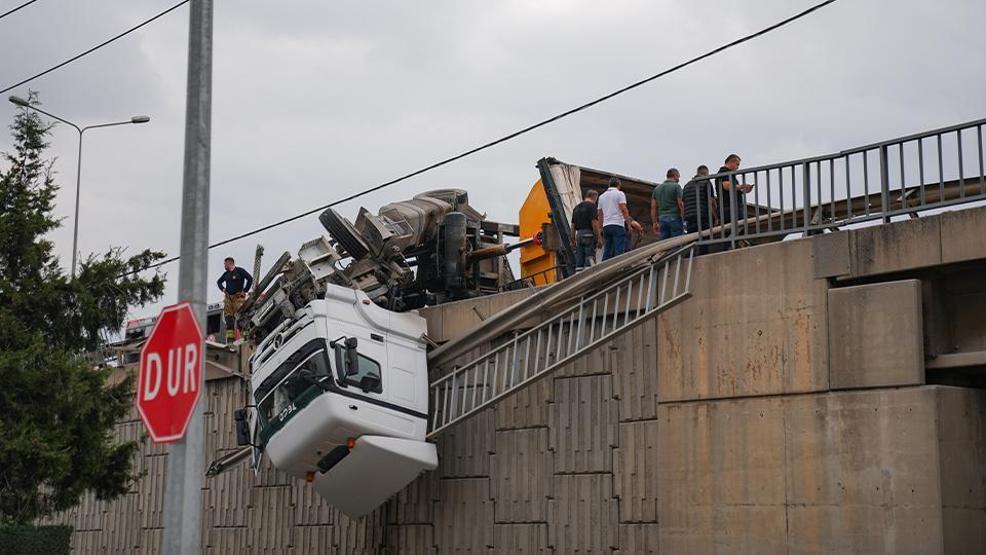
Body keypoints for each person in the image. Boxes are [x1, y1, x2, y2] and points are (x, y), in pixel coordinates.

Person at [597, 177, 642, 260]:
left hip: (606, 226)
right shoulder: (620, 194)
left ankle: (604, 268)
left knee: (607, 250)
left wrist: (600, 228)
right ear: (619, 185)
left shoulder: (601, 197)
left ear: (609, 185)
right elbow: (624, 209)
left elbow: (600, 214)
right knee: (619, 250)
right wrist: (628, 225)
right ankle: (619, 269)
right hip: (617, 225)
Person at [682, 165, 719, 254]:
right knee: (704, 240)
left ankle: (690, 257)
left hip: (689, 217)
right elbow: (711, 201)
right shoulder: (706, 182)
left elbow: (683, 203)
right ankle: (702, 256)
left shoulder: (687, 185)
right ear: (706, 173)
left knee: (691, 240)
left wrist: (684, 216)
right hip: (703, 216)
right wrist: (716, 217)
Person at [216, 257, 253, 342]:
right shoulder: (226, 274)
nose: (224, 265)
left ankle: (246, 338)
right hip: (228, 299)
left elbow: (250, 279)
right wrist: (223, 289)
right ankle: (230, 340)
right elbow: (219, 282)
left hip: (238, 298)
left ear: (230, 263)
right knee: (229, 319)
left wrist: (245, 291)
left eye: (225, 263)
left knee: (241, 317)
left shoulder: (240, 271)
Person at [716, 154, 754, 225]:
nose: (737, 167)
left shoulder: (729, 174)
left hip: (731, 208)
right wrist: (741, 186)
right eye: (737, 164)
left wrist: (744, 190)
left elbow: (732, 188)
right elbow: (726, 186)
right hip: (729, 208)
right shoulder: (723, 172)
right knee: (739, 229)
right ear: (731, 162)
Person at [570, 189, 601, 271]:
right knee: (589, 259)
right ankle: (590, 279)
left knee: (579, 259)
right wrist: (599, 238)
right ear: (594, 197)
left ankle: (579, 277)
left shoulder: (576, 208)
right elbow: (594, 223)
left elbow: (573, 225)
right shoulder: (592, 206)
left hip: (579, 235)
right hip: (589, 235)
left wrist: (572, 239)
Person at [650, 168, 684, 240]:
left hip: (662, 219)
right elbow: (680, 203)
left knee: (664, 245)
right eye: (678, 177)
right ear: (675, 176)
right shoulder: (676, 187)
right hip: (675, 218)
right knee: (676, 243)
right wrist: (684, 216)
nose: (678, 179)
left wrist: (654, 222)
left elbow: (653, 207)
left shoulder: (657, 189)